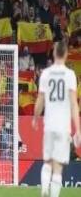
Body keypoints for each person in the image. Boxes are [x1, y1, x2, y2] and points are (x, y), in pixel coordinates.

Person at [33, 41, 80, 197]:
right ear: (66, 54)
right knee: (58, 167)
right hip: (63, 127)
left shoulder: (46, 74)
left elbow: (40, 99)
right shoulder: (70, 75)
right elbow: (74, 104)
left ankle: (44, 190)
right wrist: (78, 128)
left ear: (53, 53)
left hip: (49, 125)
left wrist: (35, 118)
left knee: (47, 161)